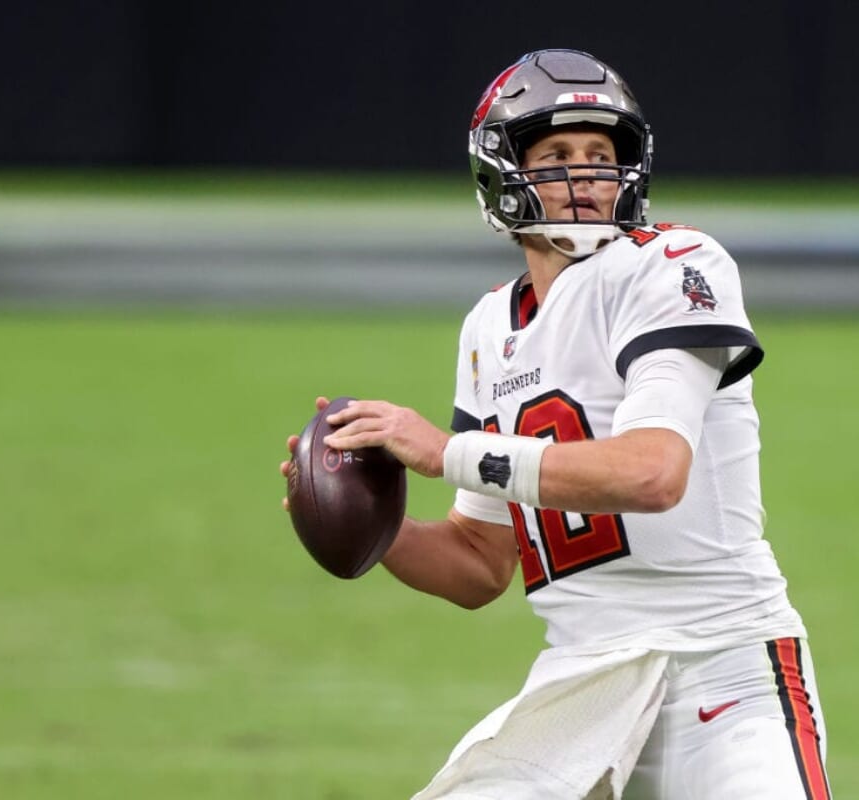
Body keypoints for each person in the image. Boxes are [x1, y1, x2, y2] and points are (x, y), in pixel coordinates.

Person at [280, 48, 831, 800]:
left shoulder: (672, 263)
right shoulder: (487, 327)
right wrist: (368, 527)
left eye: (601, 156)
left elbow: (651, 473)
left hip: (723, 665)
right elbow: (480, 565)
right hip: (582, 683)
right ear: (502, 174)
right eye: (557, 155)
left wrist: (449, 453)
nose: (584, 176)